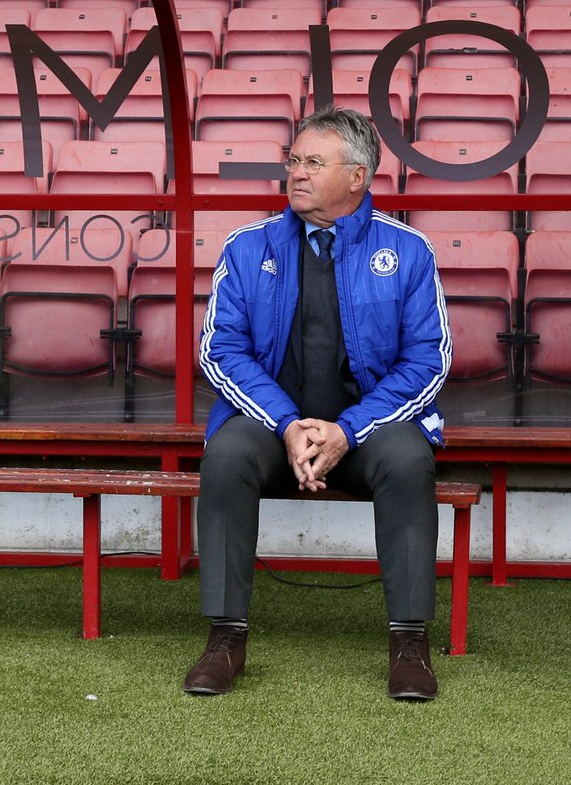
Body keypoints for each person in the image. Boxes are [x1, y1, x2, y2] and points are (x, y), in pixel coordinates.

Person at [184, 106, 451, 700]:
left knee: (408, 460)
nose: (297, 173)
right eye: (294, 160)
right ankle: (225, 638)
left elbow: (428, 360)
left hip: (368, 430)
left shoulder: (408, 250)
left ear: (357, 177)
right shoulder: (248, 247)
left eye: (313, 162)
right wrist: (286, 424)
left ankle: (410, 643)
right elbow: (220, 349)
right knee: (226, 456)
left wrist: (346, 431)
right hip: (273, 425)